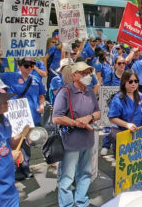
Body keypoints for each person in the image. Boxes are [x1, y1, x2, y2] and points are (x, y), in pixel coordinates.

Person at [52, 61, 101, 207]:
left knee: (85, 174)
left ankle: (81, 201)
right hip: (70, 143)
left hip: (87, 141)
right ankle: (66, 204)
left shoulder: (90, 91)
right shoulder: (64, 92)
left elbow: (98, 112)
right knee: (67, 177)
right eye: (84, 73)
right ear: (74, 75)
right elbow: (56, 117)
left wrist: (89, 118)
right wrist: (76, 122)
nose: (88, 76)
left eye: (89, 73)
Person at [0, 57, 46, 180]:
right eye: (26, 65)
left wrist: (41, 105)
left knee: (27, 142)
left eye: (32, 65)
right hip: (14, 117)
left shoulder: (36, 79)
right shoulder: (9, 76)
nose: (29, 68)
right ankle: (14, 168)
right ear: (19, 66)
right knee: (13, 141)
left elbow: (41, 95)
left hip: (31, 117)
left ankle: (25, 166)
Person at [0, 82, 24, 207]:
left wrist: (22, 136)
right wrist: (10, 157)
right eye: (2, 100)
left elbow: (9, 144)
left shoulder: (4, 120)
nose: (7, 102)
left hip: (9, 187)